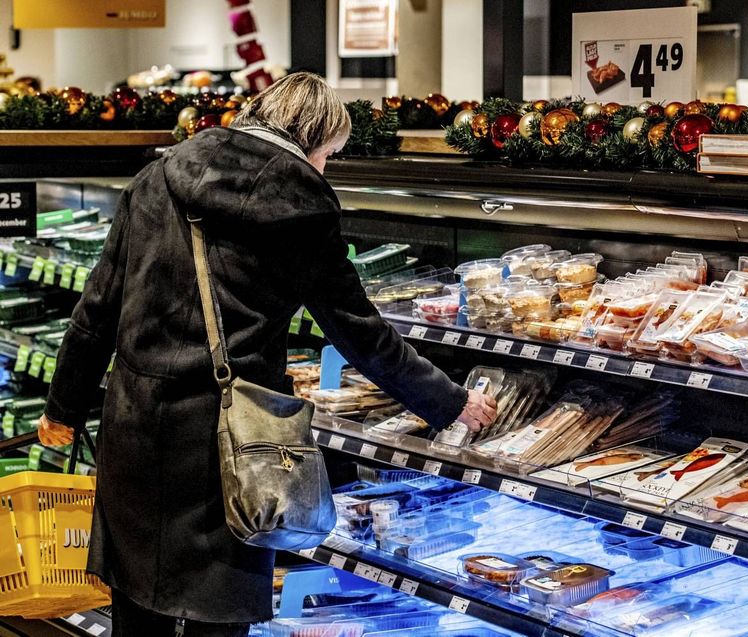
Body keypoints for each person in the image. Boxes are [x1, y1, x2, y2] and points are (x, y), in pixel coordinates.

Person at [37, 72, 497, 636]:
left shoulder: (157, 177)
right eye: (329, 155)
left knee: (137, 603)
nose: (325, 168)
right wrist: (450, 402)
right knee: (218, 612)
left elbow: (97, 308)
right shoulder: (303, 207)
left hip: (135, 426)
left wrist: (63, 408)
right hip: (231, 439)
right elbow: (359, 331)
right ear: (314, 141)